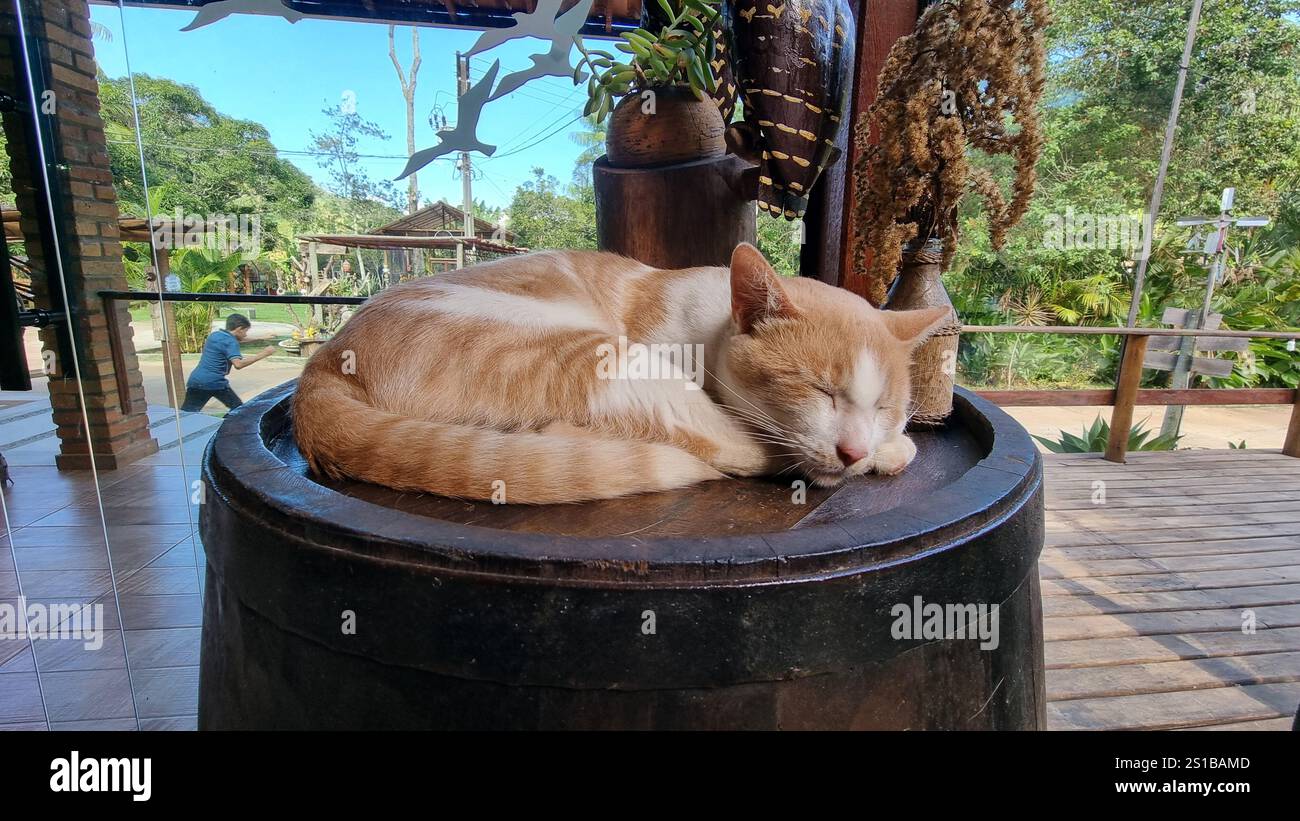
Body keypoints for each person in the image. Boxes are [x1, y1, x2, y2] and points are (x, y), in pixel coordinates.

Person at [181, 313, 274, 412]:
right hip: (215, 382)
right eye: (245, 331)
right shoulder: (231, 342)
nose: (246, 334)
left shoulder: (215, 335)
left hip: (196, 380)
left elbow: (235, 340)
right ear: (239, 329)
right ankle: (227, 426)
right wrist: (264, 354)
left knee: (187, 412)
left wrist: (261, 338)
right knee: (238, 409)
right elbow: (238, 364)